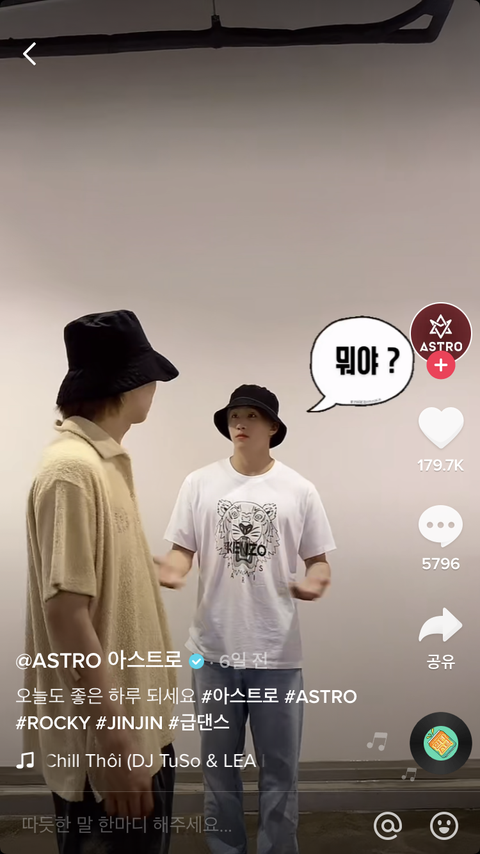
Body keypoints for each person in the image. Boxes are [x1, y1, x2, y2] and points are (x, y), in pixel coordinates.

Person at [23, 310, 180, 854]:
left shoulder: (102, 462)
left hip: (136, 730)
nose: (155, 388)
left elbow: (89, 587)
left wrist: (143, 569)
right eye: (149, 376)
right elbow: (66, 615)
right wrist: (114, 745)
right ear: (129, 385)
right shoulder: (73, 471)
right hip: (110, 744)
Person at [156, 384, 336, 854]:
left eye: (253, 415)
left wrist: (315, 581)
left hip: (277, 654)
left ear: (273, 427)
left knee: (280, 771)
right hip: (212, 651)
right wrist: (170, 570)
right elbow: (181, 551)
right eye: (235, 414)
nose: (241, 422)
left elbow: (319, 560)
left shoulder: (299, 489)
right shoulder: (199, 483)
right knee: (218, 770)